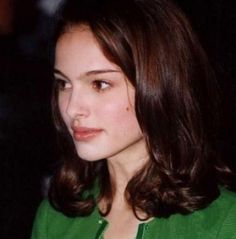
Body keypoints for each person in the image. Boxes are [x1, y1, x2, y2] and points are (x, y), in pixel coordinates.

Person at [31, 0, 236, 238]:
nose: (71, 108)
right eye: (64, 83)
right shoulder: (55, 217)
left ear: (159, 84)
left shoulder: (223, 222)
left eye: (100, 84)